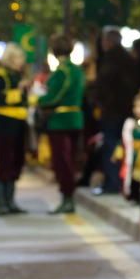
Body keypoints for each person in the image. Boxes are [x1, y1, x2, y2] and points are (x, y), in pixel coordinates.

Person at [37, 34, 86, 215]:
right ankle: (68, 198)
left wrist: (39, 100)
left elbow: (54, 97)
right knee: (70, 161)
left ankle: (67, 199)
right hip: (75, 119)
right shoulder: (78, 70)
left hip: (60, 121)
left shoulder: (63, 71)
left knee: (62, 163)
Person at [0, 43, 31, 215]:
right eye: (20, 58)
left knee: (17, 161)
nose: (22, 62)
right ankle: (1, 202)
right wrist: (19, 92)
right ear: (12, 58)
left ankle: (10, 201)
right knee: (5, 161)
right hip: (4, 122)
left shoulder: (17, 75)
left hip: (19, 122)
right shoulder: (1, 75)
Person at [94, 26, 138, 195]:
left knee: (111, 145)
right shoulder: (128, 59)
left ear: (109, 42)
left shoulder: (110, 59)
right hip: (125, 109)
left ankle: (112, 183)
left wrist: (101, 103)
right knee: (122, 144)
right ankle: (120, 182)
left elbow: (105, 86)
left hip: (113, 110)